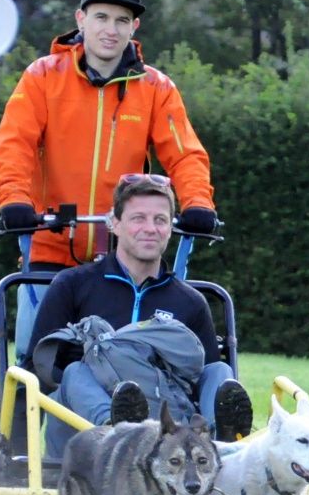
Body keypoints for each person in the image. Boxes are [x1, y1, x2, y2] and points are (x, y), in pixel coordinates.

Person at [0, 0, 218, 353]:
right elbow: (15, 144)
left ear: (134, 27)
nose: (111, 30)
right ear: (81, 19)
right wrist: (14, 200)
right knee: (35, 353)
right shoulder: (43, 77)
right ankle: (22, 388)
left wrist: (198, 204)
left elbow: (185, 154)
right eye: (101, 17)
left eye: (121, 20)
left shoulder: (156, 88)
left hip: (124, 254)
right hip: (51, 244)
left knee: (136, 353)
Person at [27, 172, 253, 452]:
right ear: (115, 223)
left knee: (218, 370)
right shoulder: (72, 285)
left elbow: (201, 380)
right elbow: (35, 371)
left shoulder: (190, 302)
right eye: (138, 219)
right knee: (74, 372)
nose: (150, 228)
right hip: (88, 437)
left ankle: (219, 444)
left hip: (170, 433)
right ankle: (119, 432)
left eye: (160, 220)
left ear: (170, 228)